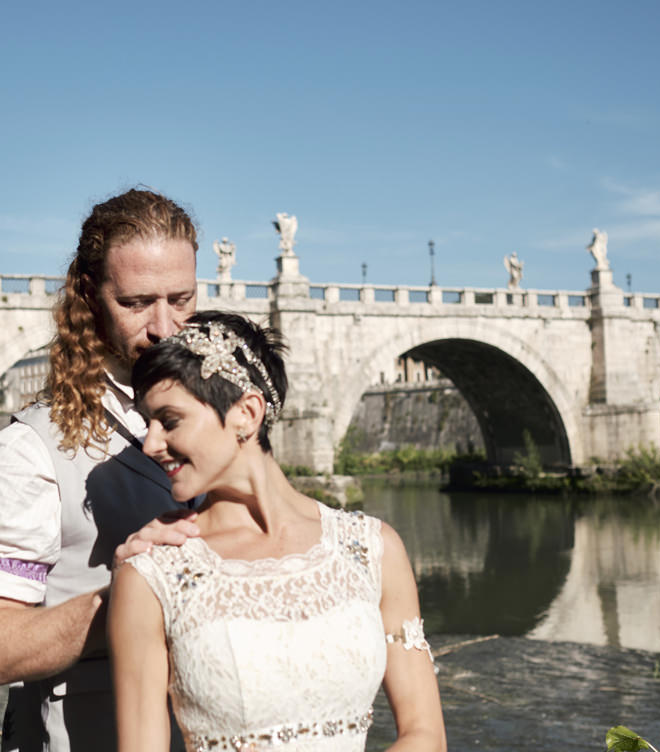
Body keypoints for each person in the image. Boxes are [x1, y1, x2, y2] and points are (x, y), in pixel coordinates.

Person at [110, 311, 447, 752]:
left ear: (246, 414)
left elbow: (426, 736)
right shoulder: (150, 577)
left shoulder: (374, 549)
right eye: (146, 423)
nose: (151, 444)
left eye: (169, 421)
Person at [0, 188, 204, 752]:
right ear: (90, 295)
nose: (165, 326)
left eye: (181, 298)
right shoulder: (28, 450)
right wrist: (130, 595)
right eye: (137, 303)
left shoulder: (223, 418)